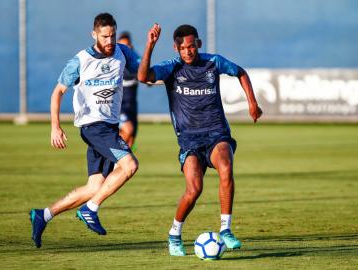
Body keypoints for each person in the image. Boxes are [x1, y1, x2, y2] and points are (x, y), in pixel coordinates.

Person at [137, 23, 263, 256]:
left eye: (192, 46)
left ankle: (225, 229)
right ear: (176, 48)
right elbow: (143, 76)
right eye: (183, 48)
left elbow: (240, 72)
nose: (188, 51)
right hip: (189, 141)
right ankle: (174, 234)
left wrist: (252, 103)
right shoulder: (171, 68)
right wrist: (149, 45)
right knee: (194, 189)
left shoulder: (213, 62)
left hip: (216, 134)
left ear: (199, 44)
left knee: (226, 167)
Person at [29, 13, 140, 248]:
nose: (110, 40)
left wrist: (152, 48)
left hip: (109, 127)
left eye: (112, 35)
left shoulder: (122, 52)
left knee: (94, 187)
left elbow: (144, 73)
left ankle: (44, 215)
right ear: (94, 34)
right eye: (105, 36)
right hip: (93, 127)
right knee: (129, 165)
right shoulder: (81, 60)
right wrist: (55, 127)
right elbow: (57, 92)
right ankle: (90, 209)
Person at [117, 31, 140, 148]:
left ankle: (117, 164)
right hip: (119, 105)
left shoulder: (137, 60)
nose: (124, 49)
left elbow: (146, 76)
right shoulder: (114, 62)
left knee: (130, 140)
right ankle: (113, 157)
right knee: (128, 128)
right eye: (121, 46)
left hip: (132, 106)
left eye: (127, 46)